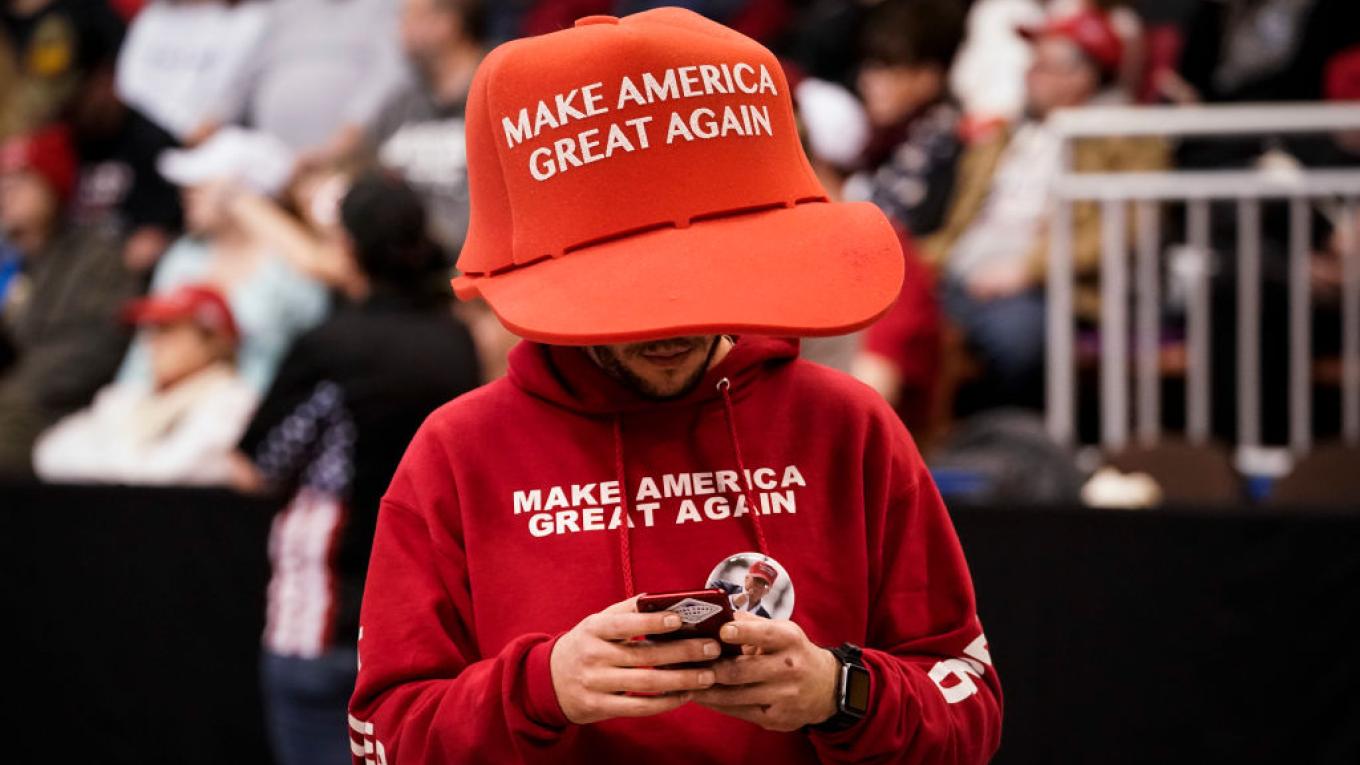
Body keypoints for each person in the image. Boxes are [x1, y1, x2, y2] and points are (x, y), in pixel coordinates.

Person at [348, 9, 1001, 764]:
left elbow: (971, 710)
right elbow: (381, 738)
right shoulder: (458, 452)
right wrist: (538, 688)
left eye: (701, 281)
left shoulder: (847, 426)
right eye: (627, 294)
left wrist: (837, 691)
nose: (671, 323)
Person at [231, 171, 481, 765]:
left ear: (348, 247)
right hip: (428, 621)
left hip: (325, 618)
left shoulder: (331, 345)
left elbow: (257, 466)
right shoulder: (456, 343)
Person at [922, 7, 1166, 408]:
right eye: (1032, 63)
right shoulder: (1008, 132)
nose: (1029, 74)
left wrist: (1028, 269)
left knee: (1016, 337)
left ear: (1084, 76)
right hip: (960, 271)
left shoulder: (1125, 138)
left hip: (1045, 288)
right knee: (887, 315)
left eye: (1044, 66)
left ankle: (1002, 436)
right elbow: (960, 225)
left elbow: (1124, 229)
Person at [115, 127, 330, 393]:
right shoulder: (182, 256)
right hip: (163, 404)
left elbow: (311, 360)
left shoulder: (295, 271)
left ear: (247, 194)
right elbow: (143, 354)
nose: (187, 193)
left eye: (202, 185)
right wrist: (124, 402)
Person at [0, 123, 136, 476]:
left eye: (20, 180)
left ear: (54, 187)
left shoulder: (96, 258)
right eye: (3, 180)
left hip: (56, 410)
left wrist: (14, 387)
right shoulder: (15, 260)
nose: (6, 191)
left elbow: (97, 345)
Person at [32, 284, 256, 485]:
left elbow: (164, 477)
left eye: (166, 330)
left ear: (211, 341)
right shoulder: (132, 397)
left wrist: (108, 457)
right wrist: (129, 462)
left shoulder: (230, 399)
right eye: (151, 332)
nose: (153, 343)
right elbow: (49, 454)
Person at [850, 0, 966, 239]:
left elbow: (883, 234)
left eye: (887, 70)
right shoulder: (892, 135)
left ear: (927, 78)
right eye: (869, 66)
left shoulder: (938, 139)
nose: (867, 81)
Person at [708, 560, 778, 618]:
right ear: (746, 578)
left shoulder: (765, 618)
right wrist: (731, 602)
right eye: (757, 580)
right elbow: (708, 605)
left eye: (765, 585)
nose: (759, 586)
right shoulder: (721, 587)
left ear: (768, 591)